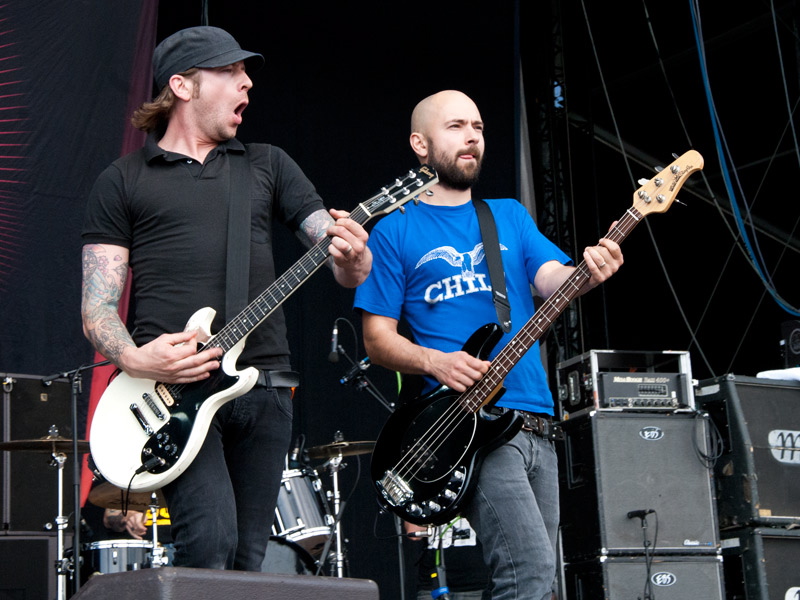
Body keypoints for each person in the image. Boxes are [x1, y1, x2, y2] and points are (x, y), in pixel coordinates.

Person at [80, 26, 371, 571]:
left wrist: (354, 257)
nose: (247, 83)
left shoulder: (267, 164)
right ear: (182, 86)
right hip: (172, 393)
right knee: (209, 542)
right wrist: (136, 358)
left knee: (246, 559)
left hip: (264, 385)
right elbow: (97, 307)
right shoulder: (122, 180)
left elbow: (335, 255)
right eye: (230, 71)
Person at [353, 90, 622, 600]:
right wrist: (436, 361)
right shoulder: (394, 230)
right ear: (420, 144)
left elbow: (553, 279)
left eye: (477, 126)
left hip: (538, 420)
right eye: (455, 126)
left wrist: (590, 271)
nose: (472, 136)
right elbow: (377, 340)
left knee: (542, 580)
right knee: (528, 572)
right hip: (473, 424)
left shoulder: (508, 216)